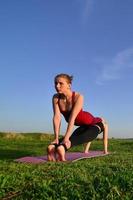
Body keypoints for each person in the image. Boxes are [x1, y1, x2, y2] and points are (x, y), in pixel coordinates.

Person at [47, 73, 108, 161]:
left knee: (80, 137)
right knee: (75, 137)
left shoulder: (78, 96)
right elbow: (57, 117)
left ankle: (60, 147)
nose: (57, 86)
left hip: (92, 122)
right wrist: (56, 138)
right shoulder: (56, 98)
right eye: (55, 83)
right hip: (82, 125)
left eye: (61, 83)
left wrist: (66, 138)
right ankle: (55, 146)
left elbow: (72, 118)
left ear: (69, 85)